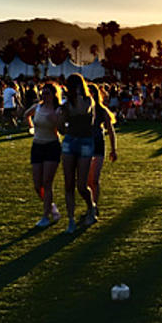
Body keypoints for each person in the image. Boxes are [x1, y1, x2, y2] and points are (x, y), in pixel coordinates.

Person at [59, 73, 97, 233]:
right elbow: (61, 126)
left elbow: (82, 111)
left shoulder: (88, 100)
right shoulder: (66, 104)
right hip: (70, 141)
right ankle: (71, 219)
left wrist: (79, 95)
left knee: (82, 185)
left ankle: (91, 206)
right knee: (69, 183)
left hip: (85, 142)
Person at [23, 83, 63, 228]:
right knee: (37, 184)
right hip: (37, 145)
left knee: (47, 182)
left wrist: (56, 121)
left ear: (53, 95)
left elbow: (62, 128)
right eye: (43, 93)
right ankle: (51, 206)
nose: (44, 96)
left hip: (51, 146)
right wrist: (31, 127)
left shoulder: (57, 109)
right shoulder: (37, 107)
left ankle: (45, 216)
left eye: (47, 93)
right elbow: (26, 114)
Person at [87, 82, 118, 219]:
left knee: (94, 179)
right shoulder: (83, 109)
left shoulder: (102, 110)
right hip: (85, 145)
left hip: (98, 145)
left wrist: (113, 149)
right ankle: (90, 205)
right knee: (86, 181)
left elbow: (111, 130)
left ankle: (94, 205)